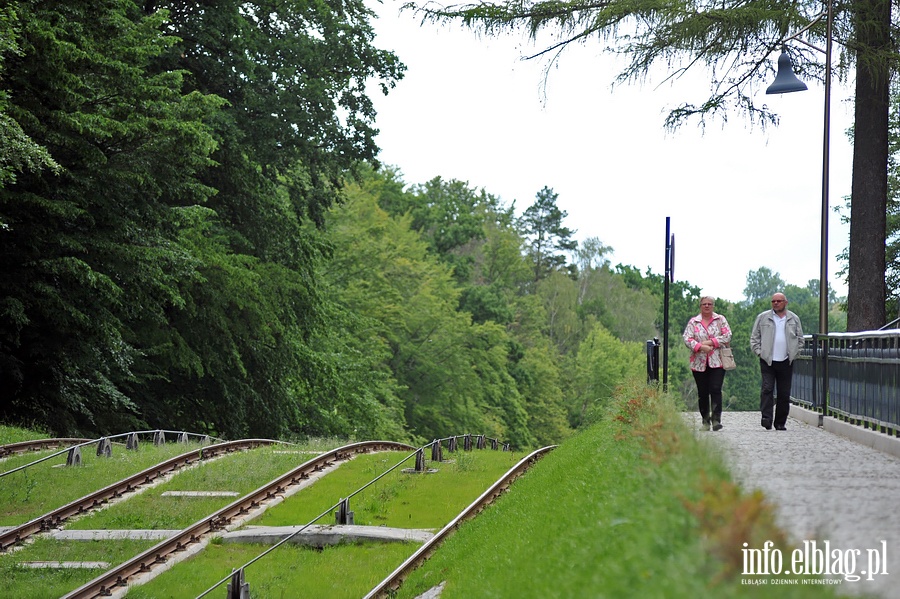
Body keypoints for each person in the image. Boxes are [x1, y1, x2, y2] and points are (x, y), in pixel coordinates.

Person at [750, 292, 804, 431]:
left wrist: (795, 353)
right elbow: (754, 337)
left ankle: (780, 422)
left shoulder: (793, 318)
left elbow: (800, 338)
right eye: (773, 301)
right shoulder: (763, 318)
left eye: (779, 301)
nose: (776, 303)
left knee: (784, 393)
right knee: (767, 388)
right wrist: (759, 352)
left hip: (786, 360)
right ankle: (766, 418)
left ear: (785, 302)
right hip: (768, 360)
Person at [683, 296, 733, 431]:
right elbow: (687, 338)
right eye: (704, 304)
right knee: (703, 392)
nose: (707, 306)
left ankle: (716, 420)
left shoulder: (720, 320)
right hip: (699, 362)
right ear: (700, 306)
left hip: (718, 361)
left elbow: (728, 335)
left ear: (713, 306)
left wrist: (711, 342)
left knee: (716, 389)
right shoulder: (694, 322)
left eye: (709, 304)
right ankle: (705, 421)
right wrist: (700, 346)